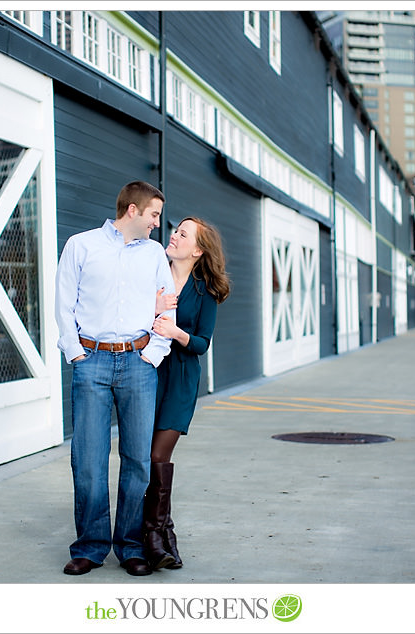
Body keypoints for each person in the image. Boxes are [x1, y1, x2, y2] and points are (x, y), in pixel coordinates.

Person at [54, 181, 176, 577]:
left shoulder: (155, 254)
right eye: (154, 214)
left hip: (138, 364)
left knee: (137, 461)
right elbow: (63, 302)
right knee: (88, 460)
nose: (158, 224)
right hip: (92, 360)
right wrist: (76, 353)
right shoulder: (81, 245)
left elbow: (166, 305)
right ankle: (89, 546)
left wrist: (152, 355)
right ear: (133, 211)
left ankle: (129, 546)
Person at [143, 217, 230, 570]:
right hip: (146, 374)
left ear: (197, 250)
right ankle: (161, 536)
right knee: (140, 458)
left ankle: (154, 534)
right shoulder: (151, 273)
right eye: (175, 230)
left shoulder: (205, 291)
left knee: (157, 457)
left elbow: (201, 343)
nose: (174, 235)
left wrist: (177, 332)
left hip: (179, 380)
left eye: (182, 234)